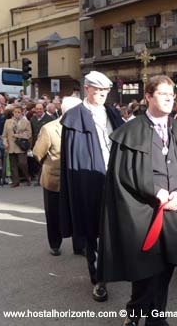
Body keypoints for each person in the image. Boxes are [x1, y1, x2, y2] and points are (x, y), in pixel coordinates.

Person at [97, 75, 177, 326]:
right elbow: (122, 174)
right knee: (145, 268)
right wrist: (153, 190)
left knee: (167, 266)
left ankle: (155, 315)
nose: (168, 98)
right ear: (148, 97)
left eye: (171, 95)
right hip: (142, 212)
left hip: (176, 212)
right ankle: (136, 312)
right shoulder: (130, 132)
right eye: (162, 94)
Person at [60, 71, 123, 302]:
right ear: (87, 89)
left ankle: (116, 268)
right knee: (92, 230)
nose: (101, 95)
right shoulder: (74, 117)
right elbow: (72, 157)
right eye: (97, 90)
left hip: (114, 177)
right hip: (88, 181)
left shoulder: (113, 112)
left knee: (116, 226)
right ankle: (98, 279)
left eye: (105, 91)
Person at [33, 97, 85, 256]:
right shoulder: (49, 129)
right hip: (54, 180)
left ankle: (80, 245)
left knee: (78, 214)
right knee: (54, 214)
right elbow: (37, 153)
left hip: (76, 179)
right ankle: (55, 244)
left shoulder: (83, 127)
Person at [2, 105, 32, 187]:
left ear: (22, 113)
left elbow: (29, 135)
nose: (17, 114)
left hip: (21, 146)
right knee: (13, 165)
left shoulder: (26, 122)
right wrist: (5, 142)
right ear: (13, 113)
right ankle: (16, 181)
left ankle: (27, 177)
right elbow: (4, 135)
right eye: (15, 112)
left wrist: (18, 135)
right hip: (11, 146)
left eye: (19, 112)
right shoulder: (8, 121)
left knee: (23, 163)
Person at [30, 103, 54, 184]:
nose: (39, 110)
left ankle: (41, 180)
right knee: (37, 161)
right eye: (37, 109)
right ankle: (41, 178)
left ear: (44, 109)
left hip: (46, 143)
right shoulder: (32, 119)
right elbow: (32, 132)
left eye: (40, 109)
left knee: (44, 161)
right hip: (35, 144)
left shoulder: (49, 118)